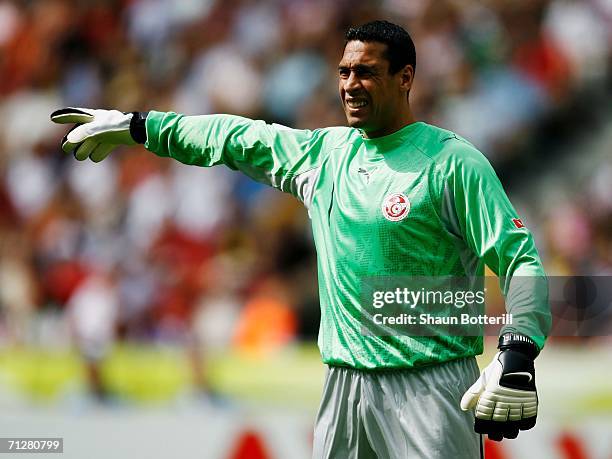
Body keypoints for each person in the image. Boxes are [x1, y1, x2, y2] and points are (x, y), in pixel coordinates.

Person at [52, 20, 551, 459]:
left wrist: (517, 348)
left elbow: (520, 259)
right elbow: (233, 137)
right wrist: (143, 126)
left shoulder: (451, 162)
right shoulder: (324, 154)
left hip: (430, 387)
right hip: (343, 387)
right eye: (344, 72)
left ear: (405, 79)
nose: (351, 85)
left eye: (366, 72)